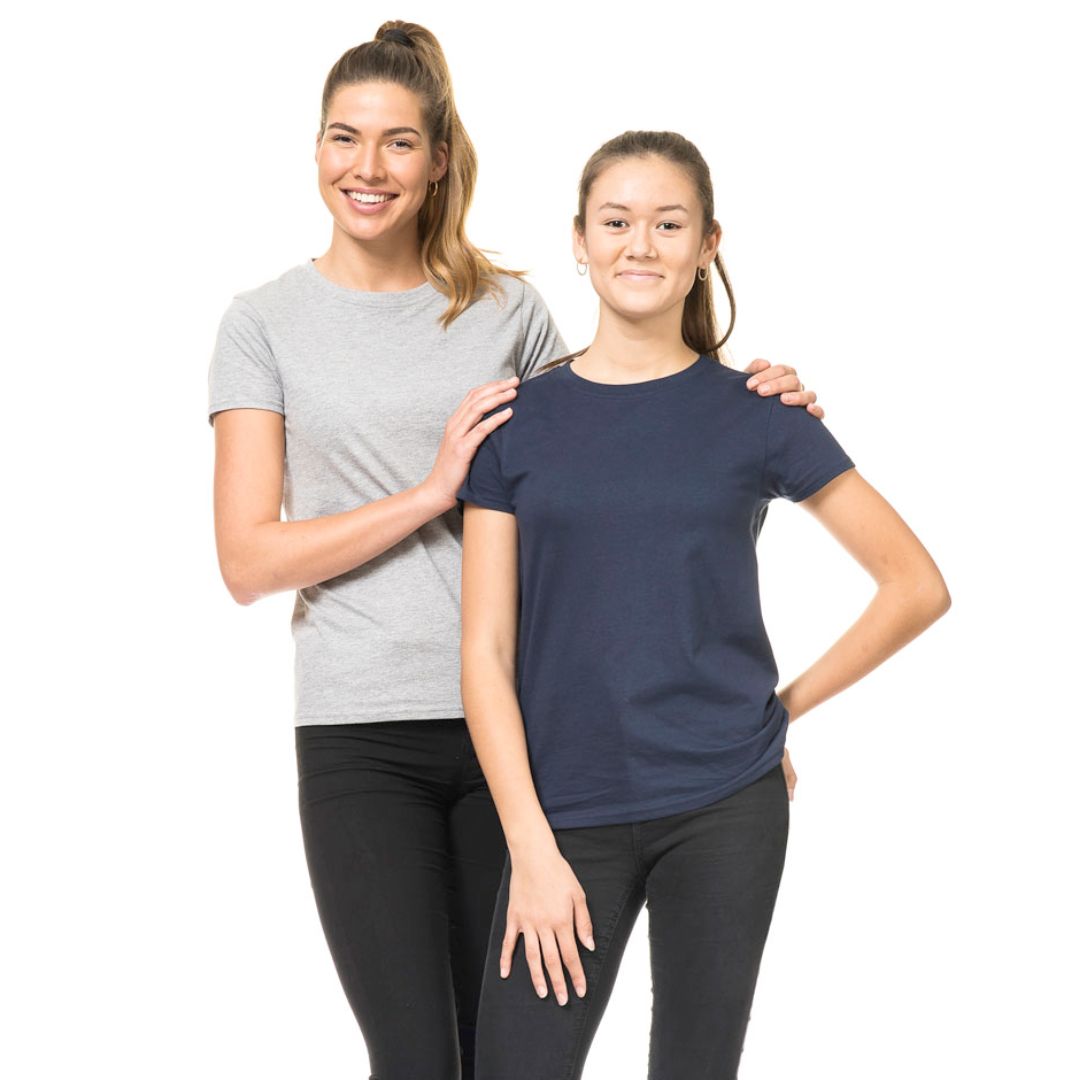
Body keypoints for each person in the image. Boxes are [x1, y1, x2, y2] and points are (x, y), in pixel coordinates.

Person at [209, 25, 822, 1080]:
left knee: (504, 1054)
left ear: (439, 159)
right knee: (414, 1055)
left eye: (399, 142)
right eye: (344, 138)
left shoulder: (508, 312)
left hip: (530, 737)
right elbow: (247, 562)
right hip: (363, 731)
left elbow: (625, 434)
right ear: (315, 149)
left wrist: (754, 402)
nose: (368, 167)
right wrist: (430, 493)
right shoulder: (262, 324)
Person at [459, 129, 951, 1079]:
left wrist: (780, 712)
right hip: (563, 810)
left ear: (707, 244)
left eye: (668, 223)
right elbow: (485, 652)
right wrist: (528, 843)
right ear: (578, 240)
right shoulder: (516, 425)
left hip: (726, 805)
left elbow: (915, 586)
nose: (640, 245)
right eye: (616, 222)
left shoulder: (759, 413)